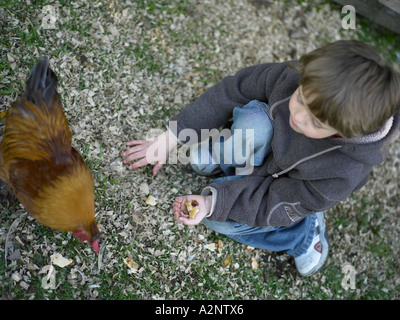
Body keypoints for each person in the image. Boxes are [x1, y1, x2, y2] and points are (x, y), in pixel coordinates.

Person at [123, 40, 400, 276]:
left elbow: (273, 199)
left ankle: (302, 235)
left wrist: (213, 202)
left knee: (218, 219)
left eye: (315, 122)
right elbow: (234, 91)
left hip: (286, 189)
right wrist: (171, 137)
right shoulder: (305, 78)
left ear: (344, 133)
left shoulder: (344, 171)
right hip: (269, 147)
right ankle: (228, 160)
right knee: (252, 123)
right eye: (301, 97)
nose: (298, 116)